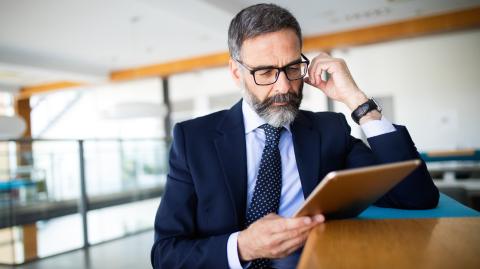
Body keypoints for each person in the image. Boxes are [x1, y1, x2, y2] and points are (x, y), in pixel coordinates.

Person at [151, 3, 439, 269]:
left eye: (292, 68)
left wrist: (357, 101)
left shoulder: (329, 130)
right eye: (265, 72)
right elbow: (165, 253)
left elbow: (416, 197)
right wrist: (243, 247)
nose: (284, 87)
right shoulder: (193, 140)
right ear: (236, 73)